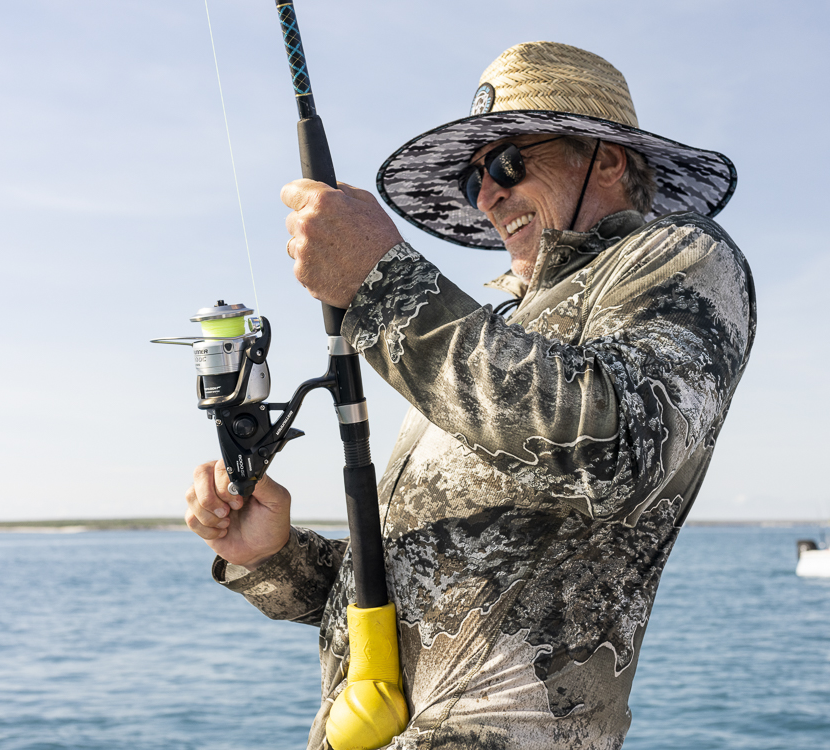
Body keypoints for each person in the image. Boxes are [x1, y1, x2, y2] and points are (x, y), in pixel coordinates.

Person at [184, 41, 754, 749]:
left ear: (606, 158)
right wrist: (271, 559)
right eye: (473, 177)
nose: (487, 193)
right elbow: (411, 588)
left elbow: (619, 449)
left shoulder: (680, 255)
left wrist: (382, 283)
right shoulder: (493, 338)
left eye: (508, 162)